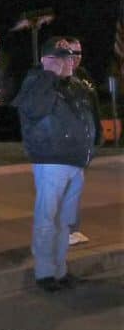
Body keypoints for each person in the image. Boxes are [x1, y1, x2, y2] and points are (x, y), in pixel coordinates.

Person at [13, 37, 97, 291]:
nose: (69, 61)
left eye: (70, 56)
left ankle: (60, 271)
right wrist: (49, 74)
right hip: (51, 160)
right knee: (47, 218)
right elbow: (35, 108)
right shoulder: (37, 81)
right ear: (47, 59)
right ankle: (45, 273)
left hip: (74, 162)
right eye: (62, 56)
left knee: (64, 222)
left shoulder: (74, 85)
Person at [63, 37, 101, 245]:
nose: (76, 58)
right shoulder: (59, 78)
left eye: (79, 53)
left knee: (75, 187)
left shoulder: (84, 76)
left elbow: (92, 106)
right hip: (67, 144)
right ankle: (65, 231)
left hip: (84, 143)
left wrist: (99, 133)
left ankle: (73, 230)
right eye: (72, 53)